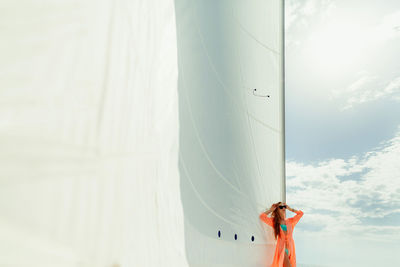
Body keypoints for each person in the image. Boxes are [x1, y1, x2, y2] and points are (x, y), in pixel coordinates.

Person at [259, 202, 303, 267]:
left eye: (284, 207)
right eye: (280, 207)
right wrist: (271, 210)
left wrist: (290, 209)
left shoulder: (290, 221)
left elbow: (300, 214)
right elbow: (262, 217)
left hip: (290, 249)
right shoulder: (274, 222)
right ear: (277, 210)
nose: (283, 208)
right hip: (282, 249)